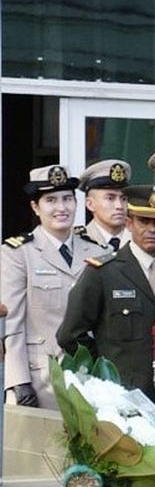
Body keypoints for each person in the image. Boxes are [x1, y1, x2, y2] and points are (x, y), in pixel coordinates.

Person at [57, 183, 155, 424]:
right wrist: (105, 371)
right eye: (143, 221)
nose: (151, 229)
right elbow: (69, 334)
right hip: (121, 400)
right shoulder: (104, 272)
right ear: (129, 223)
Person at [4, 165, 102, 409]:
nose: (62, 208)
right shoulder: (17, 254)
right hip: (41, 379)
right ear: (36, 207)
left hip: (91, 379)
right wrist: (17, 382)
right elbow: (11, 325)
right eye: (51, 200)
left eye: (67, 199)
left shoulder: (99, 252)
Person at [79, 159, 132, 251]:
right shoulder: (77, 242)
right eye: (110, 198)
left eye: (123, 199)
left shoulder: (140, 239)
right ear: (90, 204)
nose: (119, 206)